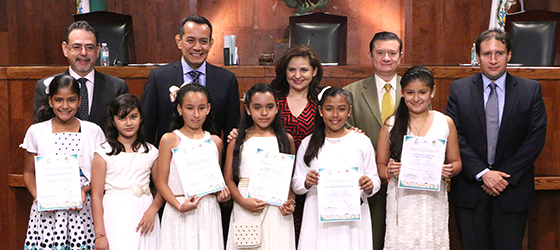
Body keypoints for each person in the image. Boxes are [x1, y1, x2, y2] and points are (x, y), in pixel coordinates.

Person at [445, 29, 547, 250]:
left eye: (499, 53)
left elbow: (535, 139)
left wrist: (502, 178)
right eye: (486, 54)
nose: (493, 60)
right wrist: (483, 173)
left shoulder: (530, 90)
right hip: (471, 192)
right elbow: (454, 136)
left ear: (509, 55)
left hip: (512, 191)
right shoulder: (459, 90)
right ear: (477, 56)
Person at [376, 66, 462, 249]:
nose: (416, 98)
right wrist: (389, 170)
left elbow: (456, 163)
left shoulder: (445, 122)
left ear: (433, 91)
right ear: (402, 93)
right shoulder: (391, 124)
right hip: (402, 202)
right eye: (410, 93)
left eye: (422, 92)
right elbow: (380, 167)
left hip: (433, 201)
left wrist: (450, 169)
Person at [21, 75, 105, 250]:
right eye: (59, 100)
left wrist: (83, 190)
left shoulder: (93, 131)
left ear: (79, 101)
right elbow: (29, 172)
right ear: (50, 101)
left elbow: (100, 175)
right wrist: (39, 196)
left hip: (83, 211)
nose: (65, 106)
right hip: (47, 213)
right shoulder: (36, 131)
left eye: (71, 100)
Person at [292, 87, 381, 250]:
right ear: (320, 110)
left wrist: (370, 185)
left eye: (341, 109)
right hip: (317, 217)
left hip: (353, 220)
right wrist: (306, 182)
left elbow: (374, 178)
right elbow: (296, 184)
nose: (335, 115)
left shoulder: (361, 141)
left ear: (349, 111)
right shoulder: (308, 143)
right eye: (329, 109)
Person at [141, 14, 240, 147]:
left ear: (211, 44)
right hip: (168, 161)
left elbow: (232, 132)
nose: (197, 47)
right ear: (179, 41)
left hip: (212, 161)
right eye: (191, 40)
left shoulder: (227, 80)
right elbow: (147, 128)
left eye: (203, 41)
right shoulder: (159, 78)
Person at [343, 31, 403, 250]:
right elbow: (342, 136)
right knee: (372, 240)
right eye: (380, 52)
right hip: (366, 184)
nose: (386, 58)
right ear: (370, 55)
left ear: (400, 56)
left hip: (405, 181)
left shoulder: (415, 90)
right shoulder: (351, 92)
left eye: (391, 53)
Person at [156, 83, 231, 249]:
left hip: (208, 210)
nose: (196, 114)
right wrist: (179, 205)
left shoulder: (215, 142)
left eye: (201, 108)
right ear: (180, 109)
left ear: (208, 108)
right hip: (179, 207)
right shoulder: (169, 139)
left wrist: (221, 195)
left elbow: (214, 183)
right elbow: (161, 182)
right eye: (190, 108)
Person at [224, 83, 296, 250]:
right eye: (257, 107)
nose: (264, 113)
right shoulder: (237, 140)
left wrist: (291, 201)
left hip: (277, 209)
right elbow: (228, 178)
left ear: (277, 108)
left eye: (269, 107)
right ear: (248, 110)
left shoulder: (286, 140)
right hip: (246, 204)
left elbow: (289, 180)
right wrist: (242, 201)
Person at [91, 94, 163, 250]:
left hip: (145, 214)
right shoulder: (103, 153)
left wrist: (152, 210)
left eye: (133, 117)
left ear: (141, 118)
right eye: (122, 118)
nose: (128, 123)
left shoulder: (151, 151)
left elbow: (161, 187)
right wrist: (100, 235)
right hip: (115, 213)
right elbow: (96, 196)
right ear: (113, 121)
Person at [33, 21, 129, 128]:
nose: (83, 53)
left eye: (89, 47)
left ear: (98, 50)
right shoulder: (46, 86)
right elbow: (41, 131)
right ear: (65, 49)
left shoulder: (117, 87)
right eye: (77, 47)